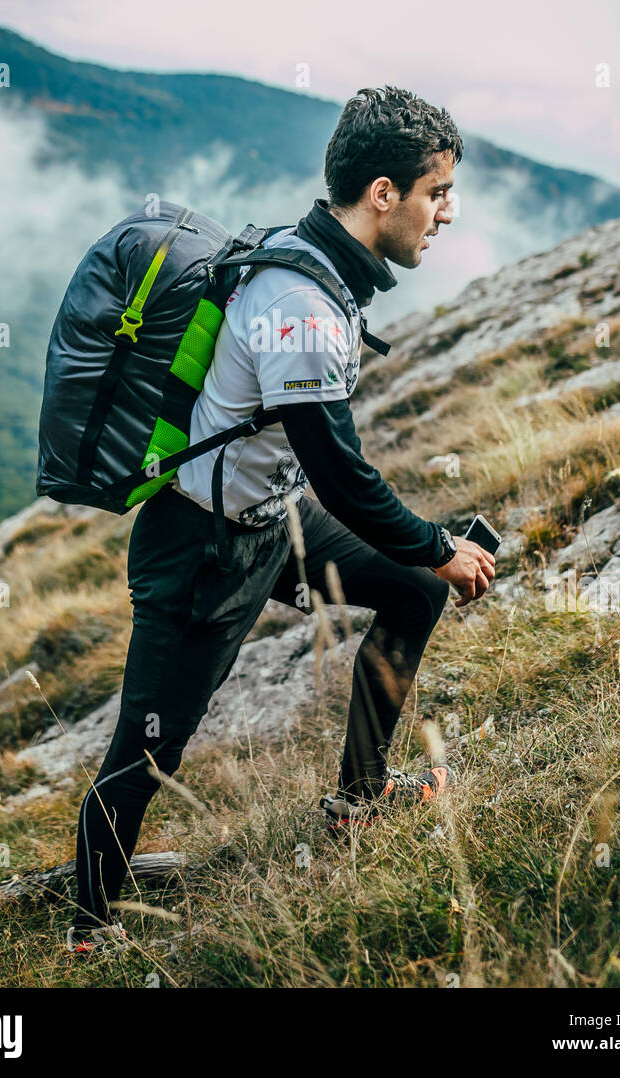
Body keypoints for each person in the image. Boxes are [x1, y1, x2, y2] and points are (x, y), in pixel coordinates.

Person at [67, 86, 496, 953]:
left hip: (272, 518)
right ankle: (88, 928)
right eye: (436, 192)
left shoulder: (318, 261)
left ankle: (358, 799)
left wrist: (426, 562)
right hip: (204, 549)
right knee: (150, 746)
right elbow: (341, 473)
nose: (446, 213)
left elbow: (319, 471)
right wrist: (440, 547)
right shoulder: (299, 304)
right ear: (384, 194)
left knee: (411, 595)